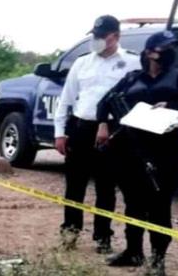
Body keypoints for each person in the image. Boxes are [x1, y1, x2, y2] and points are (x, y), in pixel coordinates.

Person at [97, 30, 178, 276]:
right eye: (163, 48)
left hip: (165, 151)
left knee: (160, 207)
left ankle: (158, 259)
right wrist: (103, 125)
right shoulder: (131, 79)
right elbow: (105, 102)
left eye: (170, 48)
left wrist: (171, 107)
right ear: (149, 52)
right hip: (130, 150)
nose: (168, 52)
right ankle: (133, 251)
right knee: (133, 204)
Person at [54, 15, 141, 253]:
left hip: (113, 131)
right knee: (75, 185)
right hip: (81, 128)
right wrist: (60, 133)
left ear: (116, 36)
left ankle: (103, 237)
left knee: (106, 187)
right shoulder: (82, 63)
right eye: (95, 35)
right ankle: (70, 232)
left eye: (102, 36)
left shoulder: (132, 63)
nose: (97, 40)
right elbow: (66, 100)